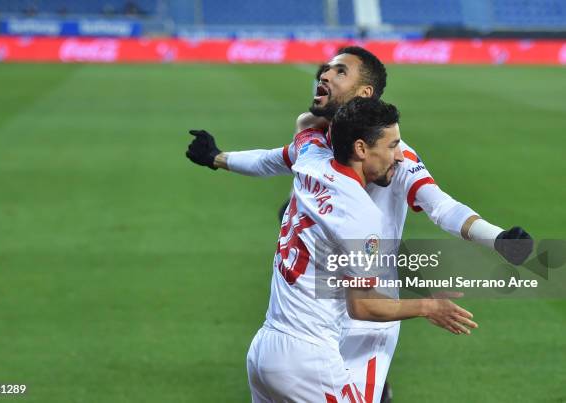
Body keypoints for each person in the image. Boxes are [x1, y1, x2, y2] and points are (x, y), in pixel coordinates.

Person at [185, 47, 532, 403]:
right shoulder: (315, 143)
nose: (325, 74)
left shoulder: (394, 154)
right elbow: (273, 159)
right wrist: (217, 158)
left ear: (364, 93)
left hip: (366, 311)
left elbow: (440, 206)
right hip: (321, 313)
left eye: (340, 72)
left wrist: (498, 239)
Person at [244, 97, 477, 402]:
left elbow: (306, 127)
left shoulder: (310, 160)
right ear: (361, 149)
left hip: (264, 349)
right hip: (308, 361)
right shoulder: (362, 214)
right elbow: (363, 306)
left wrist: (218, 158)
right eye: (393, 145)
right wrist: (429, 307)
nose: (400, 156)